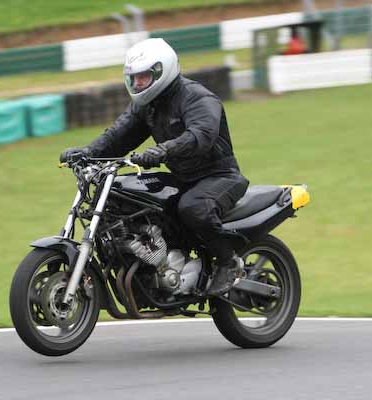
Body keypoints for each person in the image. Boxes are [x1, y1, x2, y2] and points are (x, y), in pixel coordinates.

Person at [60, 38, 249, 296]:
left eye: (144, 77)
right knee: (123, 199)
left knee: (194, 207)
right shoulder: (146, 106)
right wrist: (87, 153)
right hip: (182, 177)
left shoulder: (197, 98)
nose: (138, 83)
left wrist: (164, 150)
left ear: (162, 71)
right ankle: (152, 266)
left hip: (219, 176)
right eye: (134, 78)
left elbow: (200, 135)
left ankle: (229, 262)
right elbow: (117, 136)